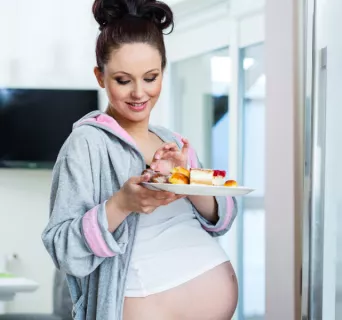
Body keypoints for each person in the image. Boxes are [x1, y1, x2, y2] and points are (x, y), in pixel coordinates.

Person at [41, 0, 239, 319]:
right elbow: (63, 249)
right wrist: (121, 204)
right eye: (123, 80)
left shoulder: (172, 141)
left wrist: (188, 179)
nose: (139, 93)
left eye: (150, 77)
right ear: (100, 76)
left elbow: (224, 219)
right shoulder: (87, 143)